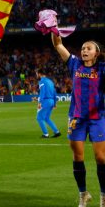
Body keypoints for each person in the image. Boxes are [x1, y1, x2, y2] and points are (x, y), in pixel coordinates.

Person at [52, 34, 105, 207]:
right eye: (82, 48)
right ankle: (83, 193)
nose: (84, 51)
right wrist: (54, 29)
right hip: (76, 118)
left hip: (98, 117)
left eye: (88, 48)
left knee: (101, 158)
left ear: (97, 52)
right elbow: (58, 44)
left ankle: (104, 195)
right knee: (77, 156)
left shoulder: (103, 68)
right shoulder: (74, 64)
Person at [36, 67, 61, 138]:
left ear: (40, 74)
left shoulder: (42, 81)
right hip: (52, 101)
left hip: (46, 101)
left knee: (39, 118)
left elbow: (42, 92)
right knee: (46, 118)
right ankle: (57, 132)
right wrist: (55, 103)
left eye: (37, 74)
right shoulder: (50, 81)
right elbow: (54, 93)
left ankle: (45, 134)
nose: (37, 75)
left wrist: (40, 102)